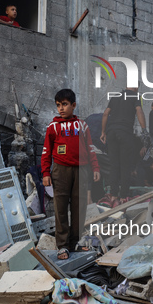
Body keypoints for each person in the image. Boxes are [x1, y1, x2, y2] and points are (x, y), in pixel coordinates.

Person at [41, 89, 100, 260]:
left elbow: (90, 148)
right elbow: (46, 151)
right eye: (58, 105)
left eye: (65, 104)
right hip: (60, 170)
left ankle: (74, 242)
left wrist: (95, 168)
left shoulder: (82, 126)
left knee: (79, 208)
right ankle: (62, 246)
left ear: (73, 105)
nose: (61, 108)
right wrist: (46, 172)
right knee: (60, 208)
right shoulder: (53, 127)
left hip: (81, 170)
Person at [100, 87, 148, 203]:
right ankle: (123, 197)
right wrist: (144, 130)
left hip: (111, 132)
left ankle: (113, 196)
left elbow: (106, 114)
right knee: (125, 166)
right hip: (125, 132)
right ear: (136, 87)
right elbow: (139, 111)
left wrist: (103, 132)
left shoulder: (115, 96)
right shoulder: (135, 96)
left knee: (114, 165)